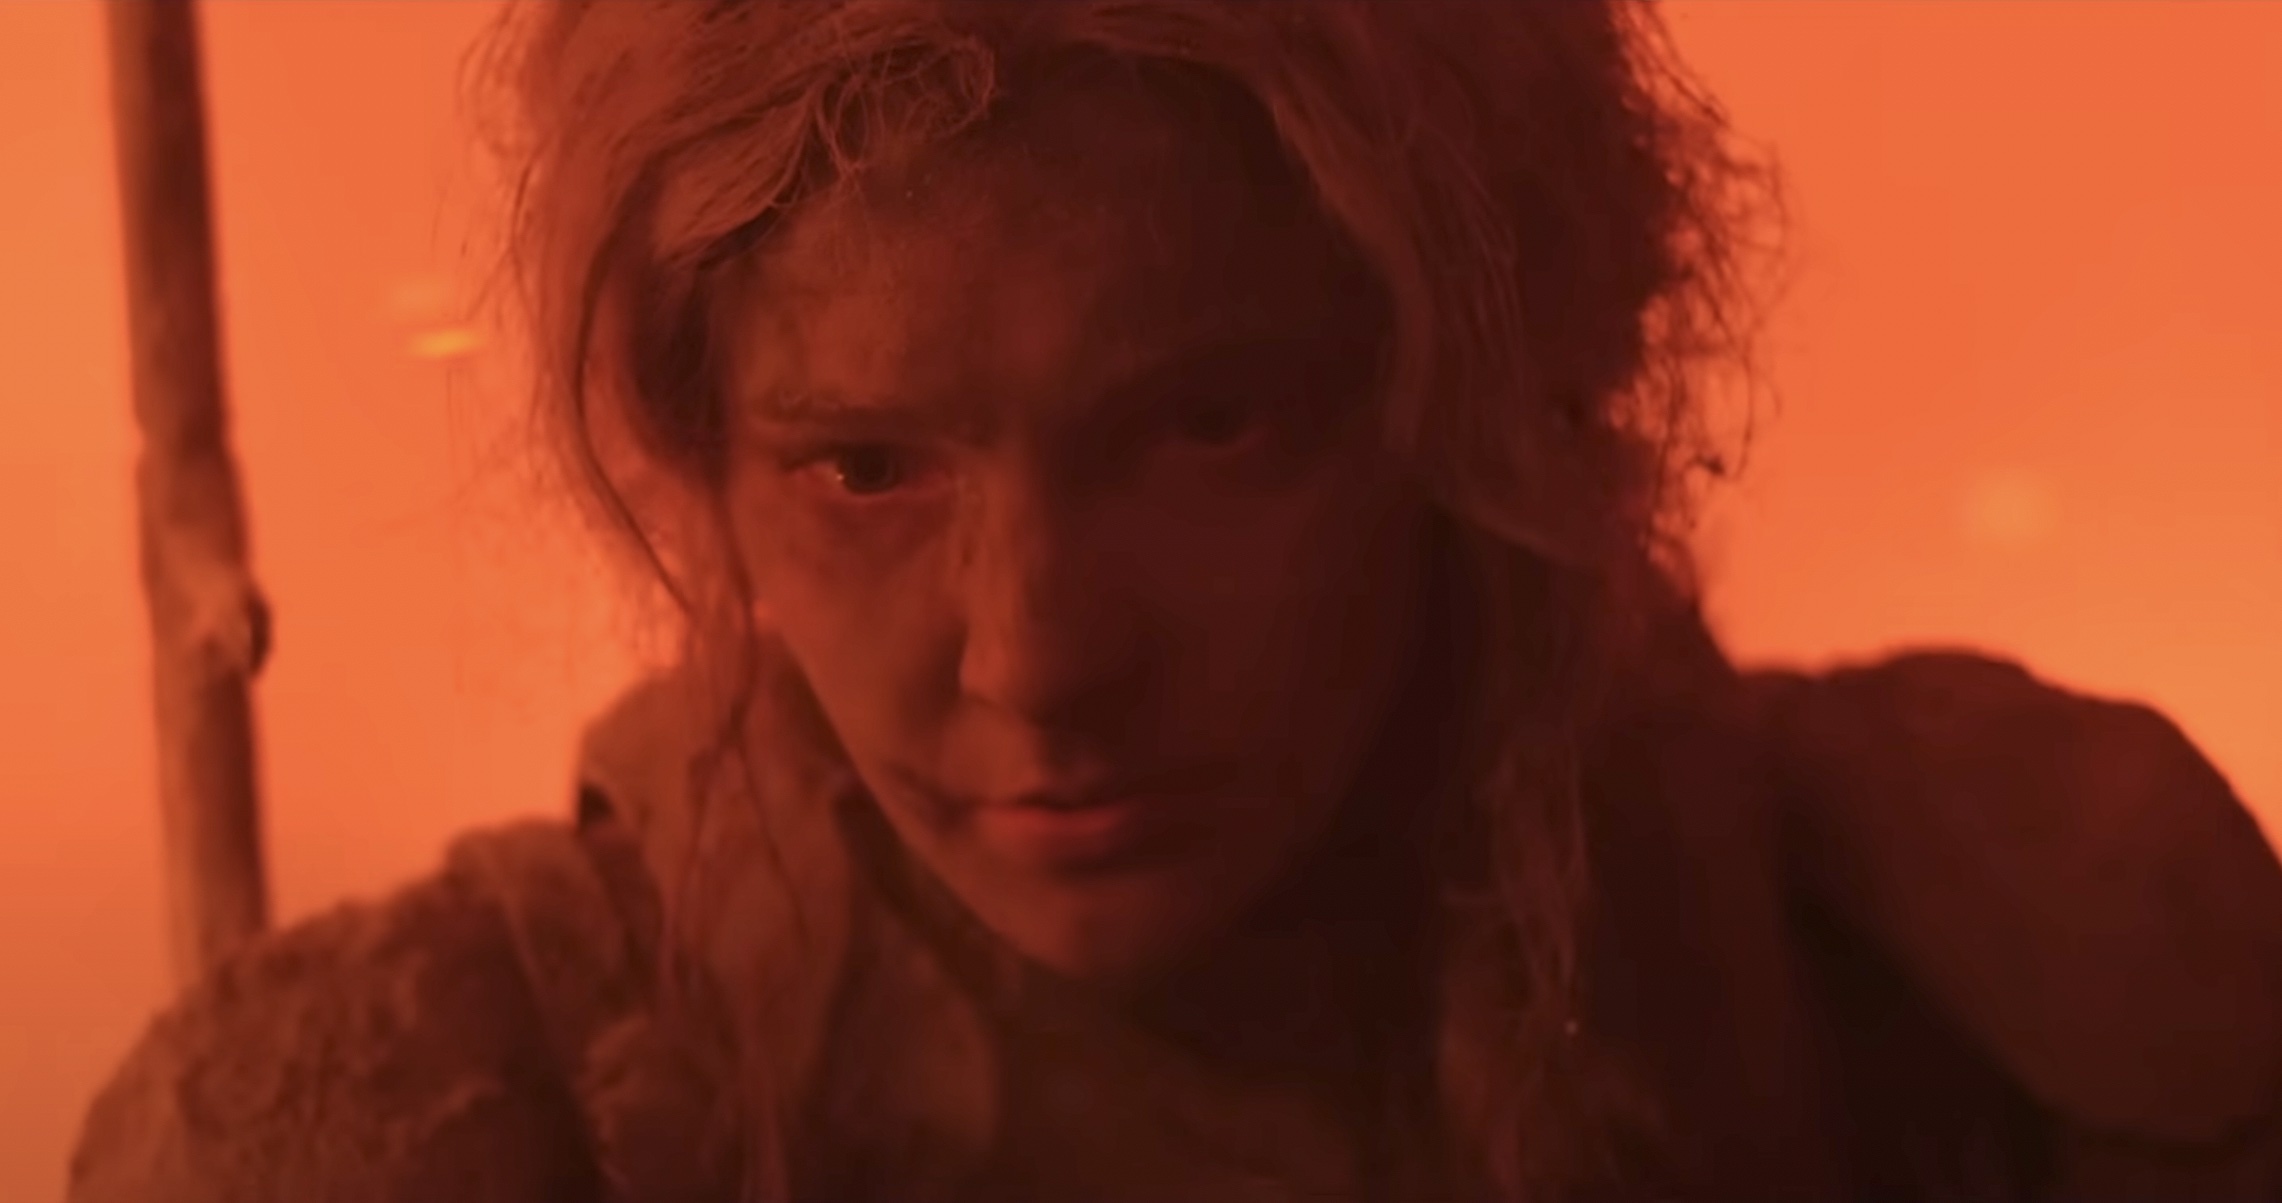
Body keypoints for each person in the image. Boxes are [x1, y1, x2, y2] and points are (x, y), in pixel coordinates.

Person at [65, 2, 2282, 1200]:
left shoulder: (1961, 978)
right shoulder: (429, 1116)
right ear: (706, 467)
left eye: (1207, 430)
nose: (1036, 657)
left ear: (1467, 400)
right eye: (867, 467)